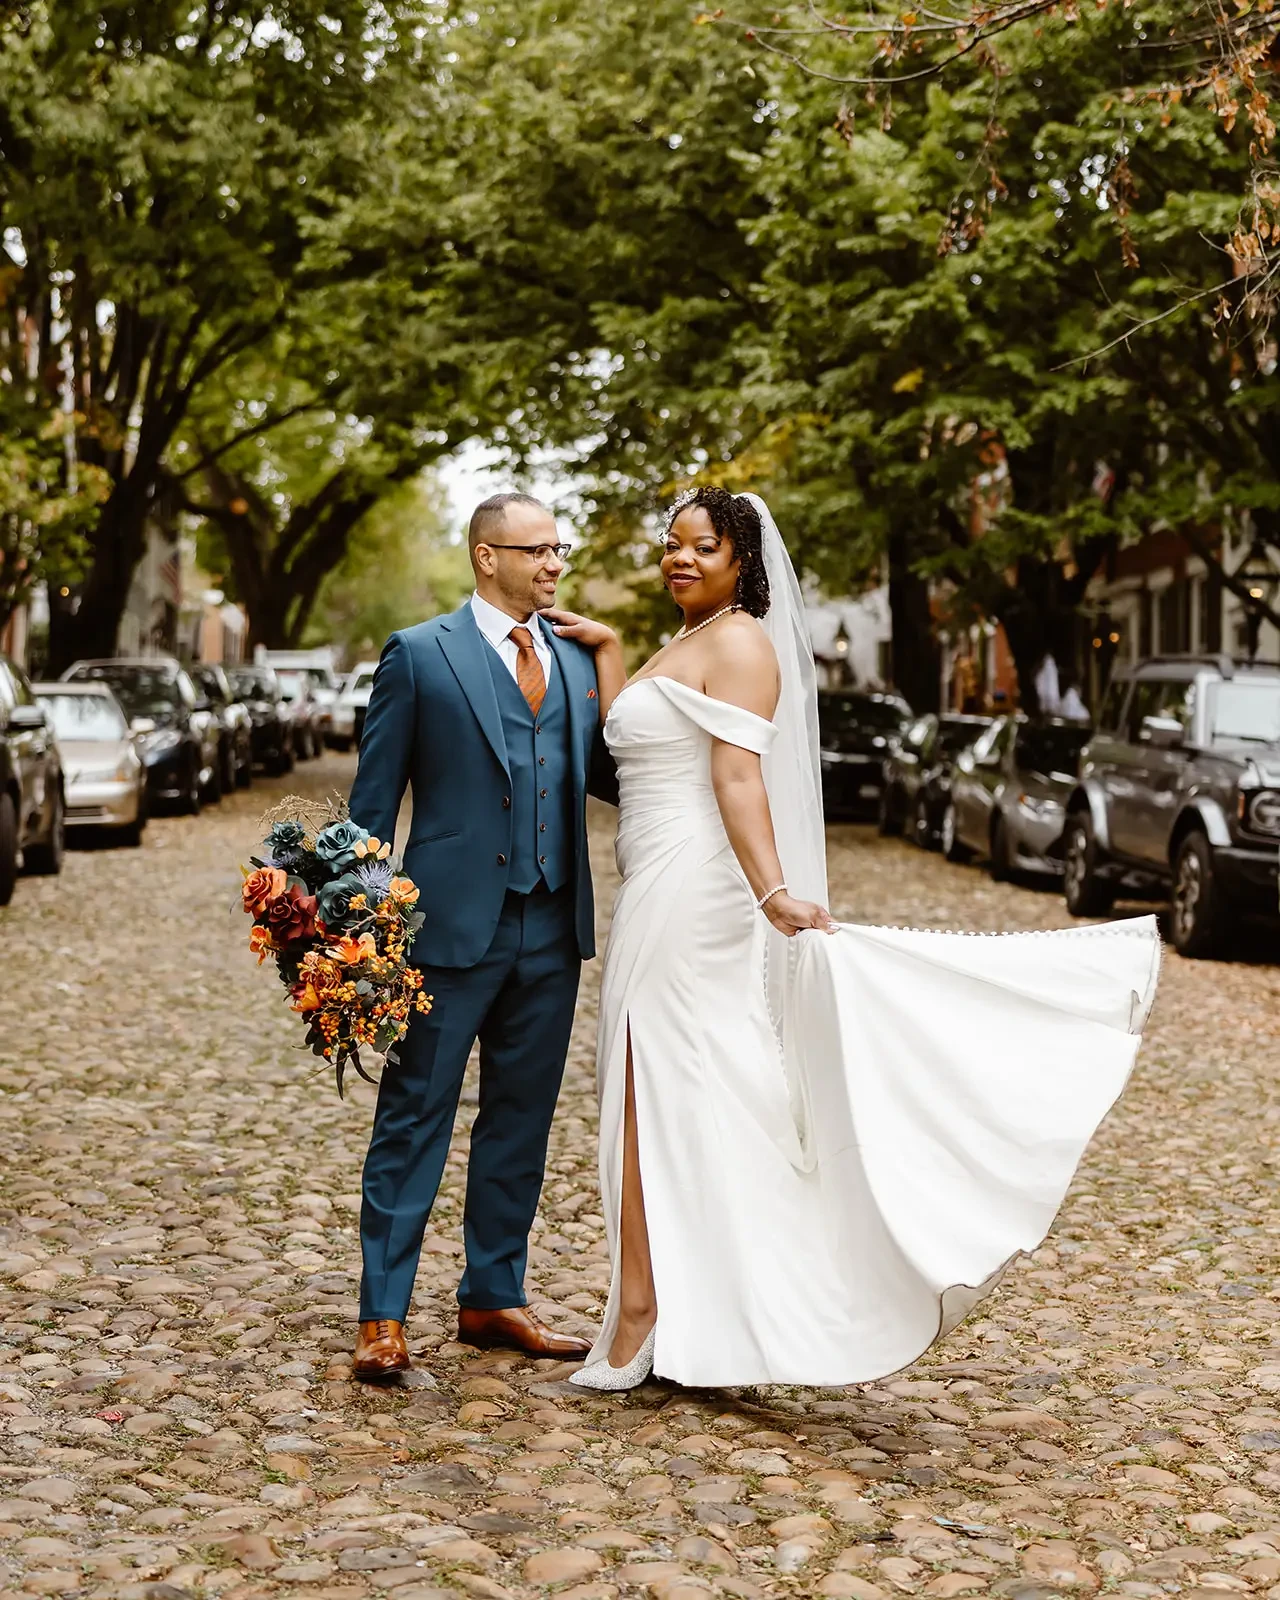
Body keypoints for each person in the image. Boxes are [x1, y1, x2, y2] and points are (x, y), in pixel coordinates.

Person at [550, 488, 1161, 1390]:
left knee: (662, 1084)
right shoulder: (680, 642)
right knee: (656, 1087)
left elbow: (737, 778)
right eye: (671, 544)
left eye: (702, 546)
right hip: (651, 883)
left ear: (743, 561)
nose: (680, 557)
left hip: (695, 893)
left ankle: (652, 1313)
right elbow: (627, 749)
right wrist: (606, 652)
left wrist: (772, 892)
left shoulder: (742, 642)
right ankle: (661, 1301)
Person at [345, 492, 623, 1380]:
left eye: (558, 549)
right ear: (484, 557)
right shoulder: (420, 656)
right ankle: (381, 1315)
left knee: (522, 1118)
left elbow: (614, 779)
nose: (552, 564)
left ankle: (492, 1295)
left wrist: (614, 657)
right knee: (414, 1114)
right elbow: (371, 808)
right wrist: (364, 935)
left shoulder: (576, 663)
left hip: (551, 924)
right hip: (446, 928)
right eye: (534, 549)